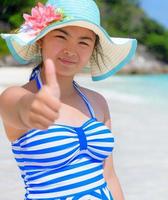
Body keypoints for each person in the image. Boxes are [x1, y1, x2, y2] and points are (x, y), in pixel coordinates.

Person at [0, 0, 137, 199]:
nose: (71, 50)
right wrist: (33, 107)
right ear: (41, 39)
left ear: (92, 49)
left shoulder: (97, 102)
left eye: (83, 42)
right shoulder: (16, 96)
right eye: (61, 36)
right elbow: (18, 107)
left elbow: (109, 176)